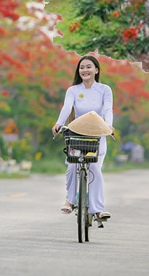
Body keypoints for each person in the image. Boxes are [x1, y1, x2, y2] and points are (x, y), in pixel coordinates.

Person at [51, 55, 114, 221]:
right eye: (81, 67)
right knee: (73, 165)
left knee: (95, 170)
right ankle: (70, 201)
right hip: (78, 133)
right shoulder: (73, 90)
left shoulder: (104, 90)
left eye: (88, 67)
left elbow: (108, 109)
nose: (85, 70)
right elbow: (67, 107)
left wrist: (109, 125)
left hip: (97, 134)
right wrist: (59, 123)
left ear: (96, 70)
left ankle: (98, 210)